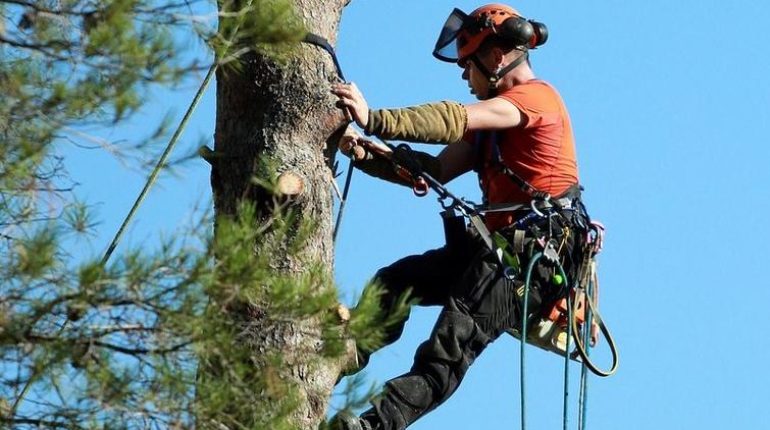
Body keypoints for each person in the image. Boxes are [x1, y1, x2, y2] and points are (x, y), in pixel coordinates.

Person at [330, 4, 590, 430]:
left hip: (530, 259)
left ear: (496, 57)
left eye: (468, 64)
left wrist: (376, 119)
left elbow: (452, 119)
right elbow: (434, 170)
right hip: (497, 251)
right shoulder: (492, 128)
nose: (464, 75)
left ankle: (373, 427)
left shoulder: (534, 99)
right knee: (396, 282)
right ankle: (343, 351)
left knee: (447, 349)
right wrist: (368, 155)